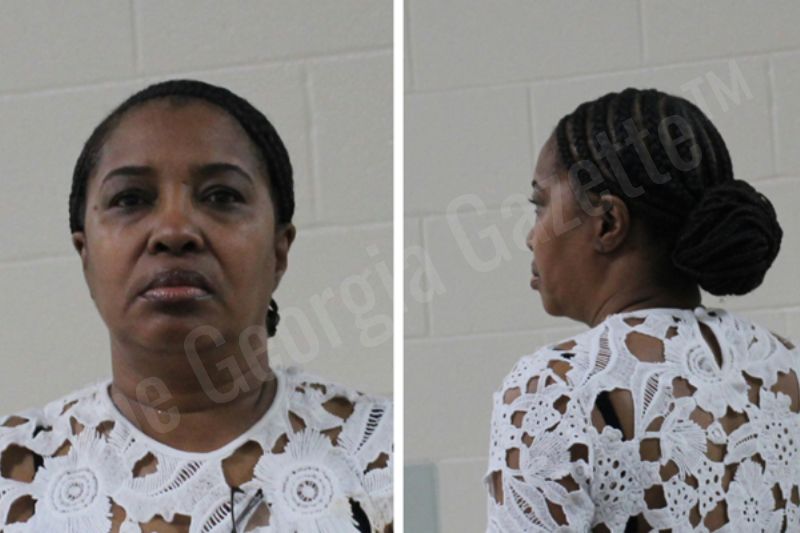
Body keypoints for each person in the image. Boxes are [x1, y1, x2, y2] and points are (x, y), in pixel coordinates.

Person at [0, 80, 393, 533]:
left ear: (279, 251)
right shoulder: (15, 474)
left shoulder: (381, 452)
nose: (174, 230)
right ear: (85, 255)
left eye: (221, 196)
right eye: (130, 199)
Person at [485, 88, 798, 531]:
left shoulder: (553, 390)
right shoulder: (786, 370)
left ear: (608, 223)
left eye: (540, 205)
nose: (531, 237)